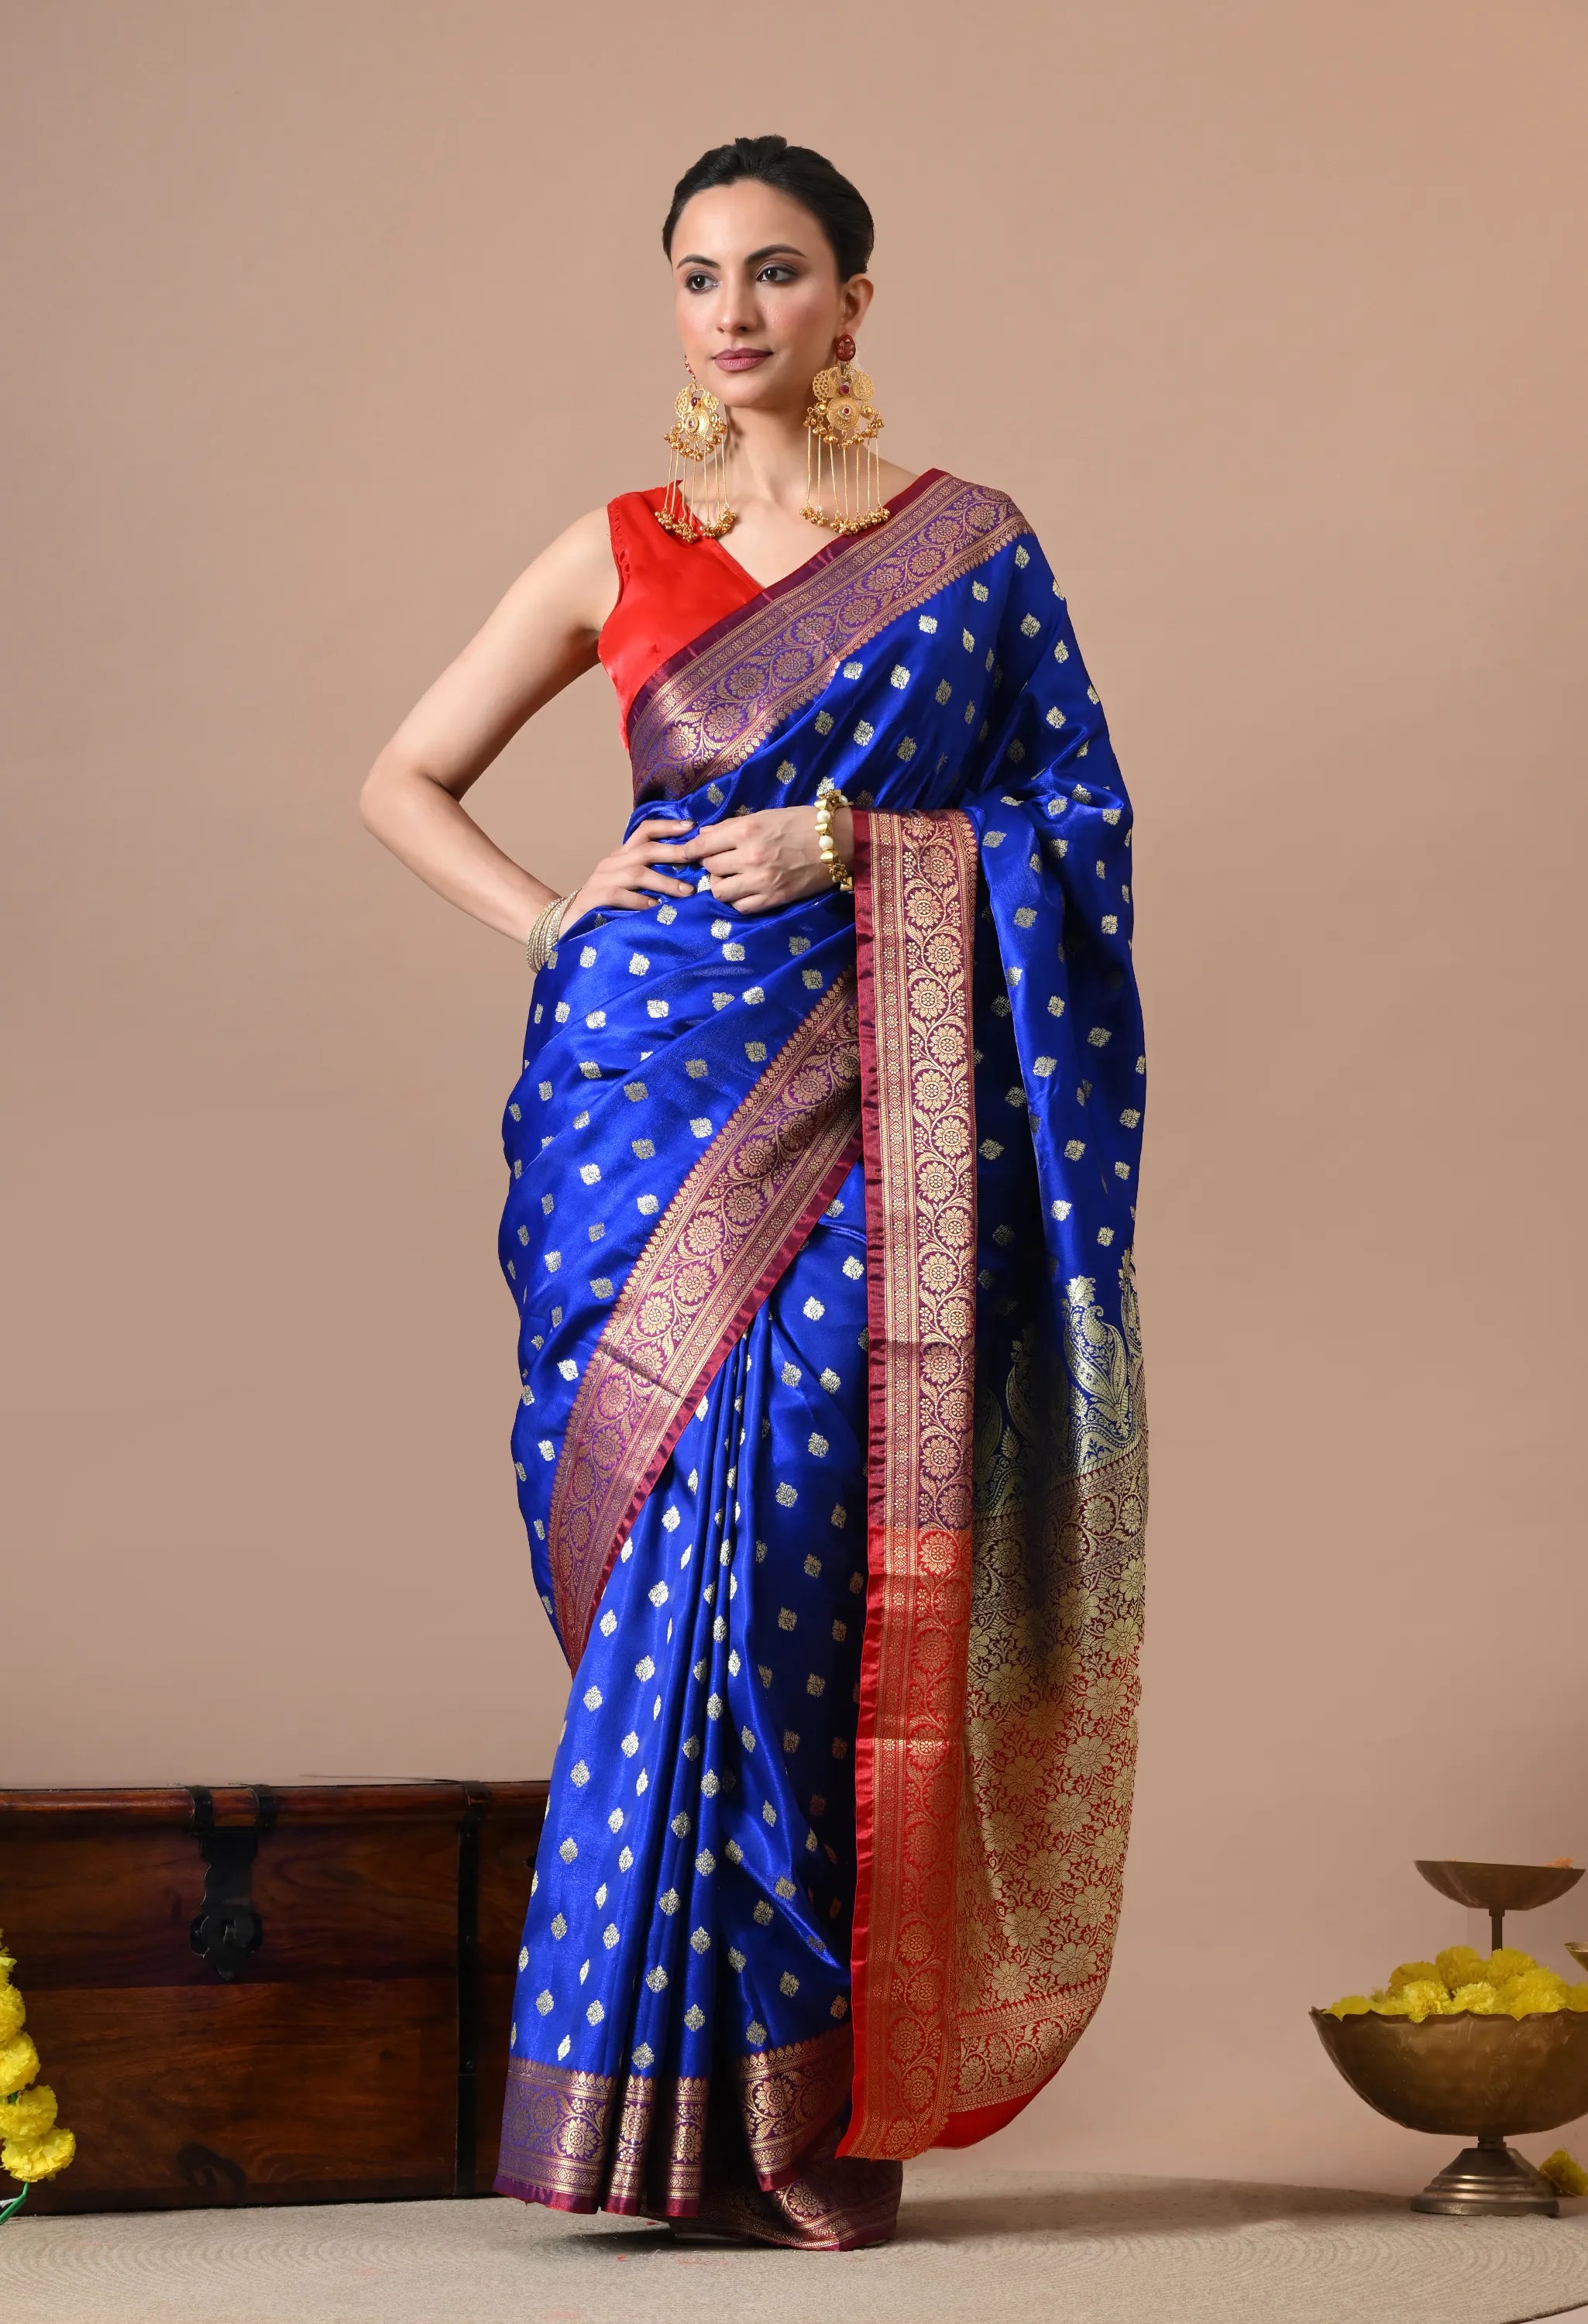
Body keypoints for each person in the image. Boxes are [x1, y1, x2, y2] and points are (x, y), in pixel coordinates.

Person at [360, 133, 1146, 2252]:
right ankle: (640, 2126)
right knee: (654, 1573)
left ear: (852, 304)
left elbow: (1076, 811)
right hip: (638, 1090)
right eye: (698, 273)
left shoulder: (969, 550)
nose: (733, 309)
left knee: (811, 1536)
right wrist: (551, 916)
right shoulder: (612, 546)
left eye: (778, 270)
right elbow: (397, 775)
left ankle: (790, 2118)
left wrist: (868, 852)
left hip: (875, 1096)